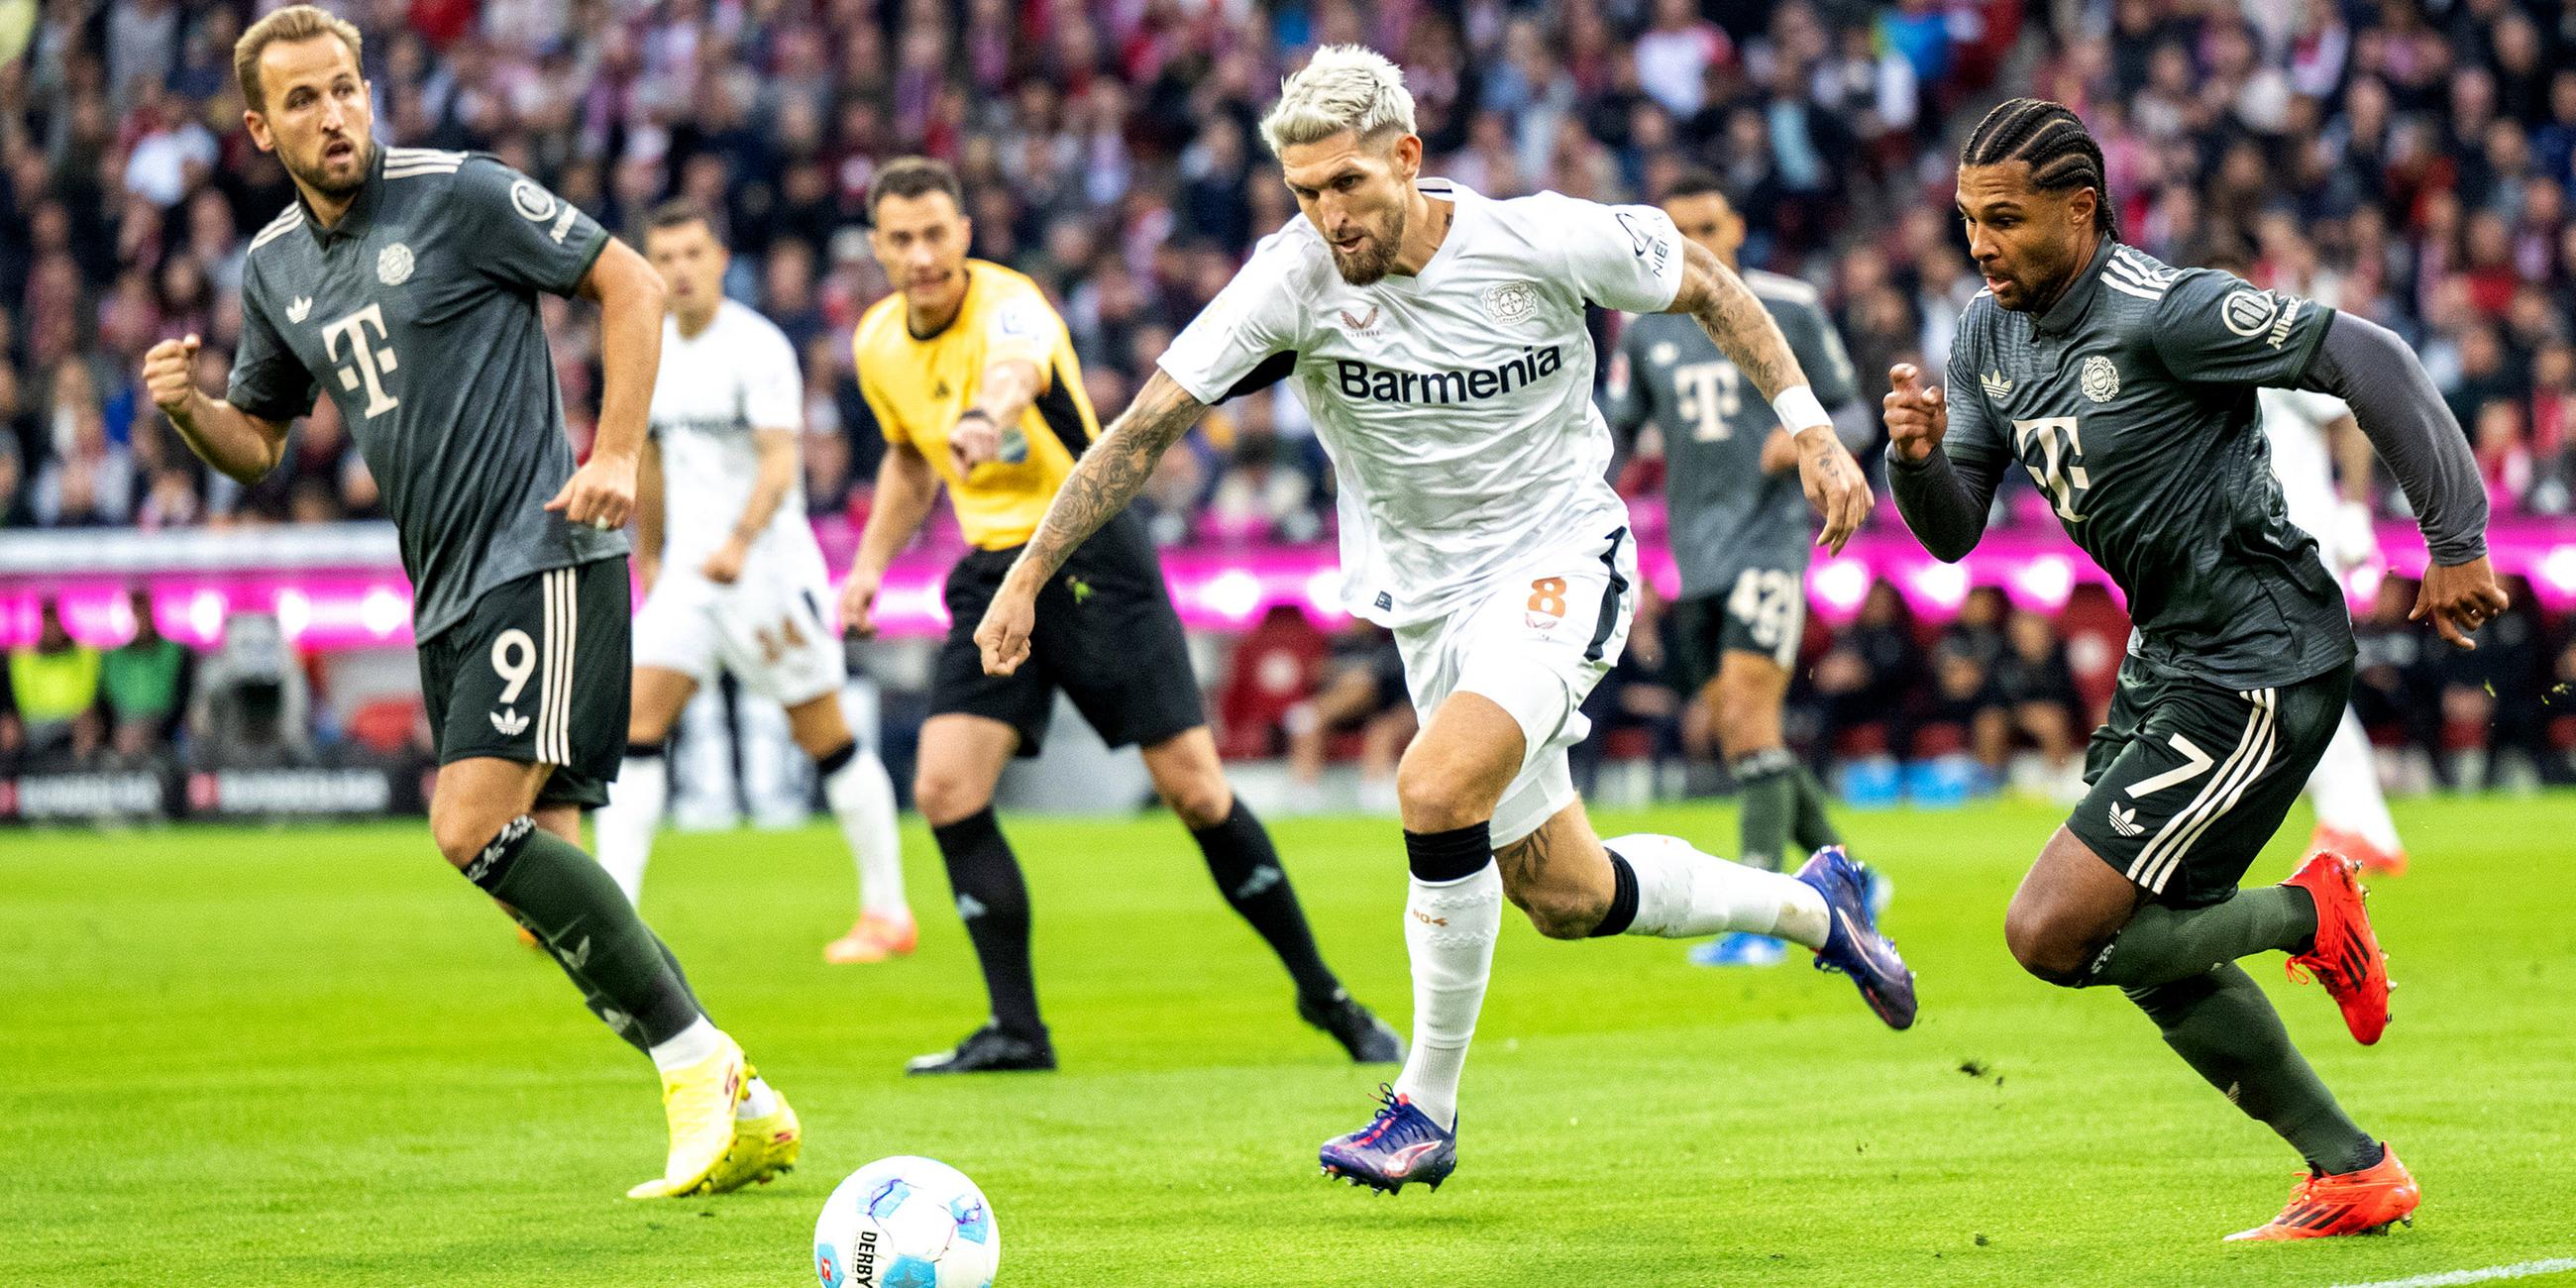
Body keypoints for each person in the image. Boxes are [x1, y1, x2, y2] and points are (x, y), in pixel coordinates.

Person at [971, 47, 1911, 1195]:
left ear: (1407, 159)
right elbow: (1142, 428)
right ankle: (1816, 907)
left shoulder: (1538, 238)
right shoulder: (1289, 278)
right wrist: (1026, 574)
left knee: (1430, 785)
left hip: (1561, 557)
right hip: (1427, 605)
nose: (1327, 216)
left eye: (1348, 186)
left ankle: (1422, 1104)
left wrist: (1812, 426)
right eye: (1305, 193)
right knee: (1563, 894)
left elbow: (1706, 278)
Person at [137, 6, 794, 1201]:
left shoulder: (463, 192)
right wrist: (189, 409)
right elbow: (260, 447)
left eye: (346, 88)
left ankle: (702, 1068)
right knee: (542, 886)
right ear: (258, 126)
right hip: (445, 590)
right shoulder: (273, 267)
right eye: (302, 100)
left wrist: (616, 453)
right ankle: (735, 1103)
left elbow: (631, 284)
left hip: (540, 551)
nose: (333, 114)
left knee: (464, 826)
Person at [1884, 98, 2507, 1241]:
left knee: (2049, 931)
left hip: (2259, 661)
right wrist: (1914, 456)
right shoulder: (1986, 335)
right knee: (2128, 948)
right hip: (2171, 658)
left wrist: (2453, 539)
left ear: (2079, 211)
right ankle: (2349, 1169)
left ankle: (2306, 911)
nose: (1978, 243)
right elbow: (1950, 529)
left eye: (2005, 220)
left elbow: (2370, 354)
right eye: (1967, 219)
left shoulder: (2166, 311)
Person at [837, 157, 1400, 1075]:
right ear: (877, 248)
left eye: (936, 232)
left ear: (965, 233)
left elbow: (1017, 372)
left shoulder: (1012, 305)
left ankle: (1323, 995)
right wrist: (868, 568)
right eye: (900, 239)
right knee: (945, 789)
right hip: (991, 570)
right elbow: (906, 461)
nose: (922, 254)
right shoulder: (876, 343)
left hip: (1090, 551)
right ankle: (1017, 1030)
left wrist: (982, 421)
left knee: (1194, 791)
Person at [589, 200, 912, 963]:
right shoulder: (652, 347)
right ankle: (610, 915)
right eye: (663, 258)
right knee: (635, 730)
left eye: (693, 253)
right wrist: (652, 553)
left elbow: (779, 462)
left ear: (721, 257)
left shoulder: (759, 347)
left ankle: (889, 912)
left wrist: (736, 543)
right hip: (690, 579)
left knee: (825, 738)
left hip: (765, 571)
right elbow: (655, 459)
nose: (680, 270)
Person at [1605, 167, 1872, 968]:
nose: (1695, 245)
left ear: (1736, 232)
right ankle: (1851, 876)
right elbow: (1618, 433)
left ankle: (1766, 920)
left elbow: (1854, 408)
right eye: (1677, 232)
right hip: (1696, 553)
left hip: (1772, 540)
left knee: (1752, 721)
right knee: (1735, 734)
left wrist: (1804, 436)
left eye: (1708, 228)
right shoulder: (1645, 328)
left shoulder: (1787, 305)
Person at [2216, 250, 2412, 875]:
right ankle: (2366, 826)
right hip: (2254, 546)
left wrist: (2355, 512)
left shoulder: (2271, 337)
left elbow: (2347, 419)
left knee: (2291, 682)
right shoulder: (2202, 357)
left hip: (2300, 538)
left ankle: (2349, 824)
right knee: (2294, 681)